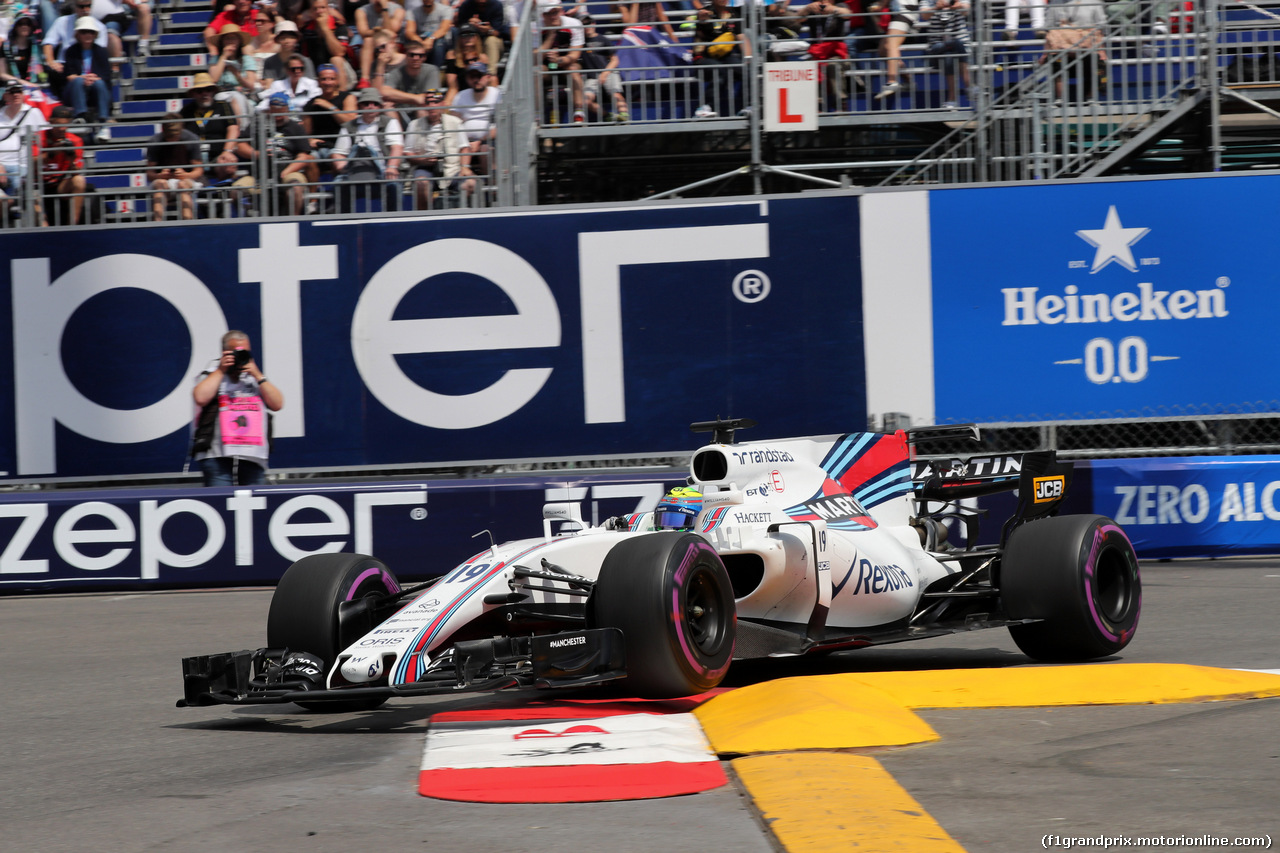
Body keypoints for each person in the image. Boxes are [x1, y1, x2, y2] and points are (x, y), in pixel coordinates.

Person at [191, 330, 284, 487]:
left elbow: (277, 404)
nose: (241, 356)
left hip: (253, 456)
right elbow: (200, 397)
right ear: (225, 353)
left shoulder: (254, 377)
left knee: (255, 506)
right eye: (237, 352)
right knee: (220, 504)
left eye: (245, 352)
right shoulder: (212, 373)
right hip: (217, 456)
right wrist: (221, 370)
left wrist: (258, 375)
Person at [238, 91, 313, 214]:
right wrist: (258, 154)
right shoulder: (257, 124)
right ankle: (249, 217)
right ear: (269, 109)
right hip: (258, 175)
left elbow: (304, 155)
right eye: (274, 110)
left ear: (287, 109)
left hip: (288, 171)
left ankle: (292, 221)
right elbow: (240, 145)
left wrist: (287, 171)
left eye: (281, 110)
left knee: (295, 188)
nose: (278, 114)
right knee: (237, 191)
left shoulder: (295, 127)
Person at [331, 86, 403, 210]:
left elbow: (396, 147)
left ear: (380, 106)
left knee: (394, 185)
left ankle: (393, 221)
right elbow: (338, 153)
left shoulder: (390, 122)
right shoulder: (348, 126)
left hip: (382, 171)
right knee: (338, 184)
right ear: (359, 106)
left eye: (375, 103)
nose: (371, 106)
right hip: (354, 171)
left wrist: (391, 167)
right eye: (366, 103)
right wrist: (342, 167)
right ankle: (343, 223)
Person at [404, 88, 463, 208]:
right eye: (428, 102)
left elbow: (465, 148)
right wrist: (423, 160)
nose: (432, 106)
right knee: (421, 183)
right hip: (424, 167)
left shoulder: (455, 122)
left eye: (435, 102)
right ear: (425, 105)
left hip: (451, 167)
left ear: (442, 104)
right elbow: (407, 153)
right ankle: (424, 219)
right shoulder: (414, 125)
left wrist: (465, 167)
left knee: (470, 183)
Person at [692, 0, 750, 117]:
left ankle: (750, 106)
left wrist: (749, 57)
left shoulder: (732, 14)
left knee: (746, 70)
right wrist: (701, 19)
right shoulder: (705, 12)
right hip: (703, 57)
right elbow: (700, 24)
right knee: (720, 72)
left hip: (724, 56)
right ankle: (705, 107)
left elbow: (742, 38)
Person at [34, 104, 89, 226]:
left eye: (65, 124)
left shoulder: (75, 140)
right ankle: (45, 235)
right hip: (38, 183)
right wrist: (51, 153)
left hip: (60, 183)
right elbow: (32, 163)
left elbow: (76, 171)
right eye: (58, 124)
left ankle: (72, 227)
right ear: (51, 122)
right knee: (34, 199)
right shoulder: (38, 137)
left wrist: (72, 158)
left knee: (79, 181)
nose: (62, 128)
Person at [449, 60, 498, 198]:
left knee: (485, 149)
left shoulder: (497, 95)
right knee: (460, 147)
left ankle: (492, 188)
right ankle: (468, 181)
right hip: (466, 140)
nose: (476, 80)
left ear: (487, 77)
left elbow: (501, 124)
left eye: (479, 76)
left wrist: (479, 141)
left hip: (490, 139)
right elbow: (453, 123)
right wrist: (464, 141)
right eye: (472, 76)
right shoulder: (461, 96)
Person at [42, 1, 109, 98]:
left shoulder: (100, 27)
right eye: (81, 6)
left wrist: (87, 76)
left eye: (88, 6)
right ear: (74, 6)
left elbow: (98, 52)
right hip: (65, 67)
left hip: (89, 68)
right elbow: (48, 43)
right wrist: (51, 62)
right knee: (53, 71)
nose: (85, 10)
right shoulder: (62, 21)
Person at [61, 16, 113, 139]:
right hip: (76, 89)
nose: (88, 35)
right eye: (84, 32)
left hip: (95, 87)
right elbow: (69, 75)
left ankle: (103, 124)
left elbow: (106, 76)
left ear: (95, 34)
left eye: (91, 32)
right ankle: (80, 118)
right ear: (78, 34)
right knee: (78, 80)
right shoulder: (71, 51)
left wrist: (93, 79)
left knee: (100, 84)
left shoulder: (102, 51)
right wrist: (84, 78)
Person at [0, 79, 46, 216]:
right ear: (5, 96)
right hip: (1, 163)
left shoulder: (34, 113)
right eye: (12, 92)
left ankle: (13, 209)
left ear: (23, 94)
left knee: (16, 178)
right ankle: (11, 207)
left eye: (18, 91)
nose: (16, 95)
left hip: (23, 164)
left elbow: (45, 138)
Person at [146, 112, 203, 220]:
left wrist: (185, 174)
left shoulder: (191, 139)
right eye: (169, 136)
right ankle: (157, 226)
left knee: (182, 186)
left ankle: (188, 225)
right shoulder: (154, 142)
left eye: (175, 136)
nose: (172, 139)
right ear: (163, 130)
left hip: (186, 179)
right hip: (164, 180)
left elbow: (198, 170)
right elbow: (149, 173)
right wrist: (160, 176)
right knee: (159, 185)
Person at [301, 62, 355, 171]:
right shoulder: (311, 103)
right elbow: (306, 133)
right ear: (318, 82)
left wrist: (330, 107)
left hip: (340, 147)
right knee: (307, 161)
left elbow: (351, 122)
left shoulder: (347, 98)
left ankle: (338, 187)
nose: (328, 82)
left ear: (337, 81)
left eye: (331, 79)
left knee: (336, 160)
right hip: (318, 147)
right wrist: (310, 140)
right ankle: (314, 188)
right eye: (324, 79)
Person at [180, 71, 245, 162]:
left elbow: (233, 128)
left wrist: (227, 151)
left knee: (229, 162)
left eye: (208, 90)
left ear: (213, 91)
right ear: (193, 93)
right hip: (193, 158)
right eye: (200, 91)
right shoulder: (186, 111)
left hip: (219, 156)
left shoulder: (223, 106)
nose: (204, 94)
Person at [537, 0, 585, 124]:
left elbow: (575, 55)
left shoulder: (574, 24)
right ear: (542, 15)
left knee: (574, 68)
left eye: (555, 12)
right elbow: (534, 59)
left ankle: (579, 112)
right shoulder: (535, 26)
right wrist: (551, 34)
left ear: (561, 10)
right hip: (546, 66)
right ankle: (537, 114)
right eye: (548, 13)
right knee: (536, 70)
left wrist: (559, 60)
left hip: (565, 65)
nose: (553, 16)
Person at [919, 0, 969, 109]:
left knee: (949, 56)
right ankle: (969, 86)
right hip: (937, 46)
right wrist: (936, 8)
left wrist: (958, 6)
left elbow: (966, 11)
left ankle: (952, 100)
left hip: (956, 50)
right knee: (956, 43)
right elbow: (924, 15)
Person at [867, 0, 920, 101]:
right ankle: (909, 82)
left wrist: (880, 5)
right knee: (883, 50)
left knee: (892, 42)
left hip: (905, 11)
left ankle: (892, 81)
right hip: (899, 12)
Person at [207, 23, 258, 124]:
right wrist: (223, 57)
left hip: (243, 97)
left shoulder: (246, 59)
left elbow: (251, 85)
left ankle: (241, 130)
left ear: (239, 41)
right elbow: (213, 79)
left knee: (236, 98)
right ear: (222, 42)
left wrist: (237, 75)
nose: (230, 41)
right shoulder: (215, 60)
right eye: (227, 38)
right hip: (221, 96)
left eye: (234, 38)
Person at [354, 0, 405, 88]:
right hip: (372, 44)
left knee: (389, 39)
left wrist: (385, 10)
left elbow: (391, 31)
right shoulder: (361, 11)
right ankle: (365, 79)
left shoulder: (398, 10)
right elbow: (363, 32)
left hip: (391, 43)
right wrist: (378, 31)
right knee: (368, 40)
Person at [453, 0, 507, 72]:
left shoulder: (496, 5)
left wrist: (488, 30)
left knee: (491, 40)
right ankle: (464, 72)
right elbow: (461, 29)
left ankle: (491, 73)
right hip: (473, 42)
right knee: (466, 37)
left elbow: (497, 33)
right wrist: (469, 25)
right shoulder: (466, 6)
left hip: (490, 41)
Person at [256, 53, 321, 111]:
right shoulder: (277, 85)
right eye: (293, 69)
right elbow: (265, 103)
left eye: (301, 69)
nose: (297, 71)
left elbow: (315, 102)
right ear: (287, 70)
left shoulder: (311, 83)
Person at [442, 23, 488, 104]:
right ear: (459, 38)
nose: (468, 38)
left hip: (478, 90)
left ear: (476, 37)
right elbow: (453, 87)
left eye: (471, 34)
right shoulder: (452, 55)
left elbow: (486, 80)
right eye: (464, 35)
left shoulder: (483, 57)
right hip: (459, 90)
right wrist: (447, 105)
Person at [260, 19, 315, 86]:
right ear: (277, 40)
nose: (287, 41)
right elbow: (268, 85)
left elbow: (310, 84)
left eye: (291, 37)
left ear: (296, 40)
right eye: (283, 38)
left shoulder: (305, 61)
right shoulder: (269, 61)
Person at [406, 0, 452, 68]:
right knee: (411, 44)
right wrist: (421, 43)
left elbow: (444, 29)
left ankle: (436, 70)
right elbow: (409, 32)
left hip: (438, 38)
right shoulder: (412, 12)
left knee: (438, 44)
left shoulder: (445, 9)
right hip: (421, 39)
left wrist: (431, 39)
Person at [1, 14, 40, 88]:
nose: (24, 26)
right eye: (20, 24)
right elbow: (2, 74)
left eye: (28, 24)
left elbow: (40, 71)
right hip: (11, 88)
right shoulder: (6, 46)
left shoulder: (36, 47)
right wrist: (24, 83)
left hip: (33, 86)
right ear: (15, 27)